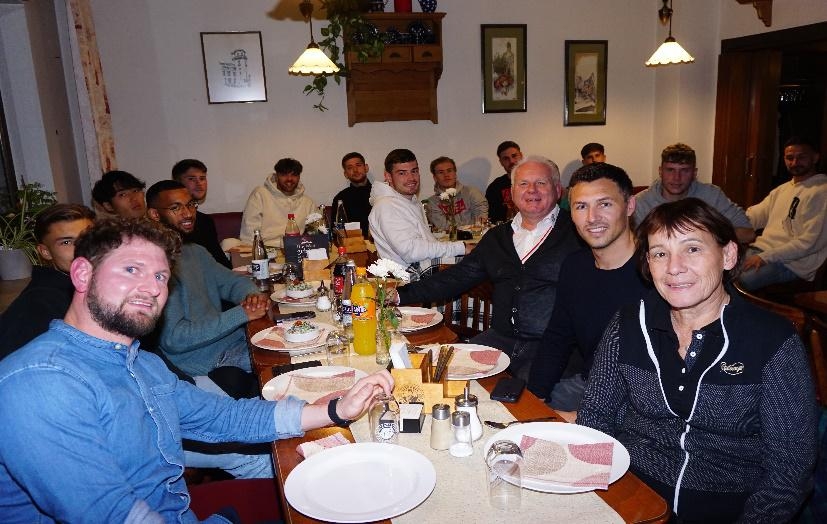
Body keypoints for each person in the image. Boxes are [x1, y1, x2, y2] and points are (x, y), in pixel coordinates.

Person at [0, 216, 393, 522]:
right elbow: (110, 515)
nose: (152, 288)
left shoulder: (140, 363)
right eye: (131, 270)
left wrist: (335, 409)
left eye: (160, 276)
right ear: (82, 274)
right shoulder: (41, 381)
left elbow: (221, 417)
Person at [577, 198, 817, 522]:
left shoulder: (772, 341)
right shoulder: (629, 323)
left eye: (692, 249)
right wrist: (600, 500)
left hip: (728, 508)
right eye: (660, 253)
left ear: (728, 255)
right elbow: (595, 416)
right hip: (632, 491)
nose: (674, 267)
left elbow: (789, 471)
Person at [396, 156, 582, 381]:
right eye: (523, 183)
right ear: (512, 192)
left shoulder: (579, 234)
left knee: (526, 396)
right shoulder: (497, 237)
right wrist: (399, 295)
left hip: (554, 347)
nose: (532, 190)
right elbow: (457, 277)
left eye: (541, 183)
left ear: (558, 190)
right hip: (500, 339)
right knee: (439, 375)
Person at [528, 163, 649, 412]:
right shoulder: (575, 266)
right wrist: (534, 398)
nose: (592, 218)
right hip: (588, 384)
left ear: (629, 206)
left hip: (642, 399)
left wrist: (583, 418)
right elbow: (557, 338)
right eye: (581, 206)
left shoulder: (657, 270)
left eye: (605, 204)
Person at [147, 181, 269, 376]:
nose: (188, 213)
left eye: (190, 205)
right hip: (207, 360)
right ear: (154, 214)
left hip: (235, 340)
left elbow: (232, 282)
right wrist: (241, 314)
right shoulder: (156, 267)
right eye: (176, 208)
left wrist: (252, 295)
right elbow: (174, 339)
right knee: (291, 359)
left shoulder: (195, 251)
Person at [0, 204, 95, 360]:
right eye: (66, 242)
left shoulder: (91, 288)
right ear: (45, 252)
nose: (81, 248)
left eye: (88, 238)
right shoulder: (40, 304)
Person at [739, 136, 827, 291]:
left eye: (801, 157)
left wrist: (765, 257)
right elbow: (754, 216)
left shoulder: (822, 192)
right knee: (719, 269)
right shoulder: (782, 190)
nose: (794, 162)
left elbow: (809, 243)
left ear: (815, 158)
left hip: (793, 263)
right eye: (789, 158)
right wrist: (724, 223)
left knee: (742, 281)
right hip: (761, 251)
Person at [368, 148, 470, 276]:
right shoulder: (386, 206)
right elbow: (412, 252)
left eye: (414, 171)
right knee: (481, 262)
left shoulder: (410, 201)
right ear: (388, 176)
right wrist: (461, 247)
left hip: (424, 267)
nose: (411, 178)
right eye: (402, 173)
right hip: (411, 278)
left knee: (483, 257)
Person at [634, 143, 755, 244]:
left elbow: (747, 233)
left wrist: (704, 236)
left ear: (694, 173)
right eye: (670, 170)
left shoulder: (712, 195)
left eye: (685, 170)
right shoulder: (641, 202)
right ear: (660, 172)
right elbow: (632, 244)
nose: (677, 178)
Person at [240, 158, 316, 246]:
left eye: (294, 175)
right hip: (264, 248)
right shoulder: (260, 195)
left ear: (299, 177)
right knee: (228, 243)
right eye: (284, 175)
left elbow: (317, 233)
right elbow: (250, 234)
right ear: (276, 176)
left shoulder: (307, 202)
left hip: (294, 248)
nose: (289, 179)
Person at [172, 158, 231, 268]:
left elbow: (219, 259)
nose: (199, 183)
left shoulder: (205, 221)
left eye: (202, 178)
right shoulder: (173, 219)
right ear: (178, 183)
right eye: (191, 179)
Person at [425, 156, 488, 231]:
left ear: (455, 173)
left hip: (476, 236)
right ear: (435, 177)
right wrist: (468, 227)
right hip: (449, 238)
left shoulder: (471, 192)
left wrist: (474, 227)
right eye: (441, 172)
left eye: (449, 170)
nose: (446, 175)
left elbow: (481, 219)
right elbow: (443, 227)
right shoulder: (431, 203)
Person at [332, 152, 372, 237]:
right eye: (350, 168)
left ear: (366, 168)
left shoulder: (380, 193)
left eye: (358, 165)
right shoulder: (340, 199)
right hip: (352, 243)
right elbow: (336, 231)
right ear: (345, 174)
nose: (355, 170)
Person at [485, 140, 523, 223]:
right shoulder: (495, 187)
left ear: (521, 155)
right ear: (501, 162)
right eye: (506, 158)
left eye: (514, 156)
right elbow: (493, 219)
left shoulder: (536, 180)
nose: (511, 161)